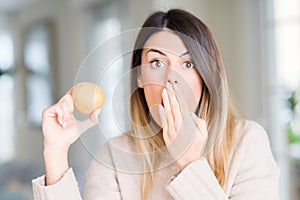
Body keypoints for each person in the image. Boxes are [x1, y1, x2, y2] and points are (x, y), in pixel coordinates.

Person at [32, 9, 280, 199]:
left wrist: (191, 163)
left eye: (188, 64)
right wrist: (55, 153)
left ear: (207, 77)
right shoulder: (114, 156)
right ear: (139, 76)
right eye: (157, 63)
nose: (173, 79)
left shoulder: (247, 141)